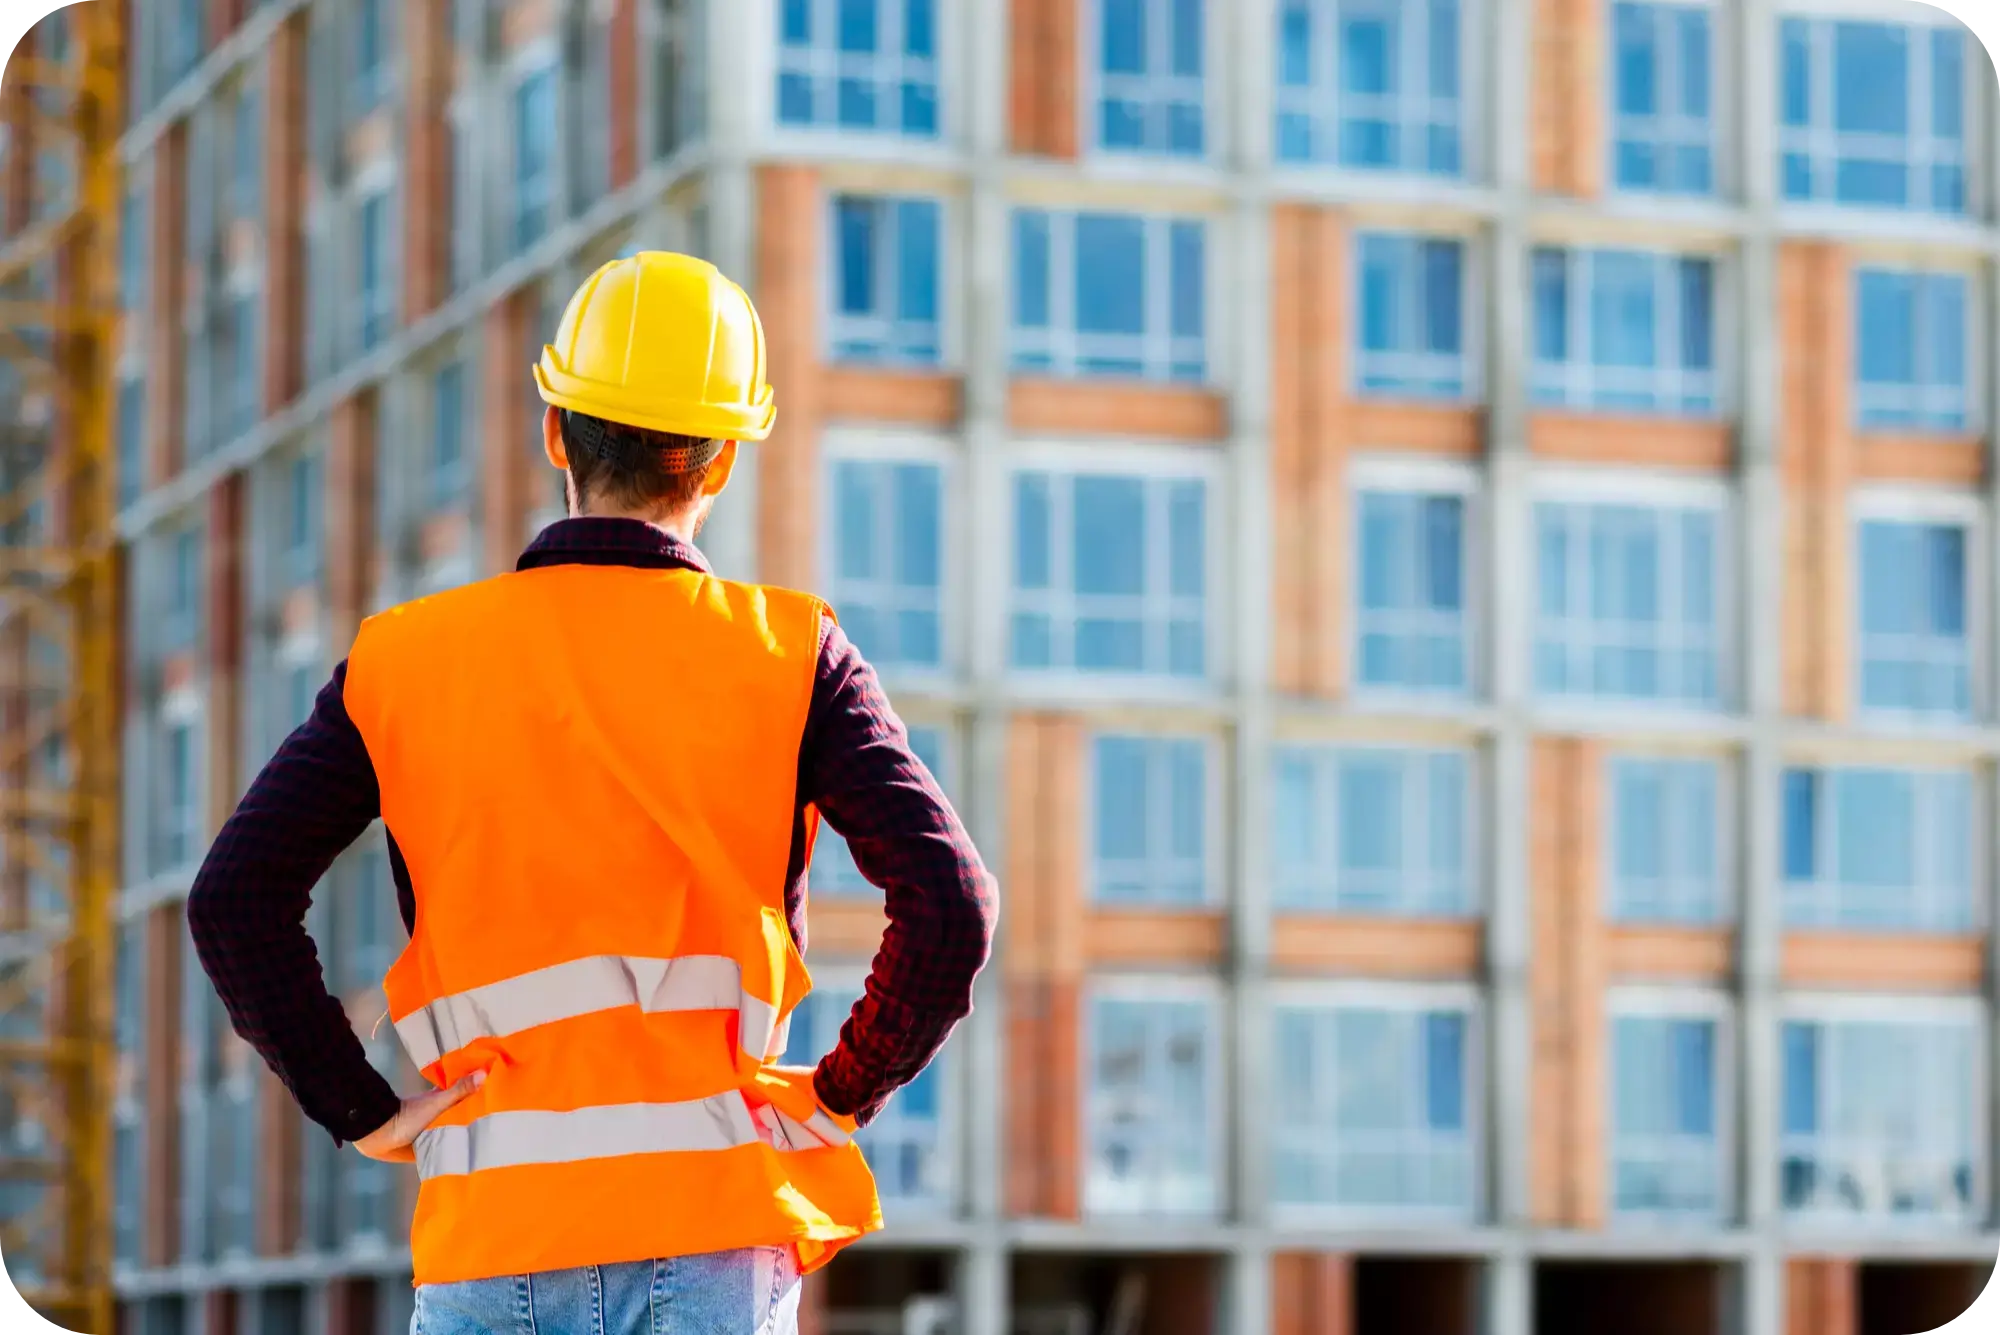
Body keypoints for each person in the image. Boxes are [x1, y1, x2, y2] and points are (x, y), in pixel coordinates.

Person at [187, 252, 997, 1334]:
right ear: (717, 466)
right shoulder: (791, 655)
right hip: (712, 1237)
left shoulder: (406, 663)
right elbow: (950, 905)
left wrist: (359, 1107)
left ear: (555, 432)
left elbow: (233, 897)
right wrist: (845, 1087)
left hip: (491, 1242)